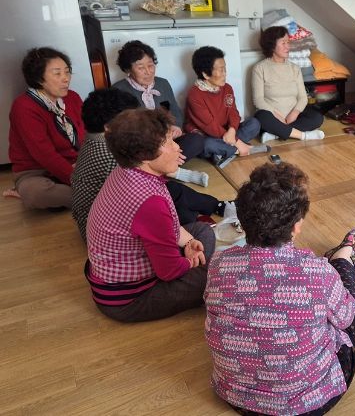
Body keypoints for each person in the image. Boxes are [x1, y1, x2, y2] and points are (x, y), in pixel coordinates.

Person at [205, 163, 355, 415]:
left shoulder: (218, 263)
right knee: (350, 306)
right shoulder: (316, 271)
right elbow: (346, 318)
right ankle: (345, 256)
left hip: (236, 398)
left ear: (243, 221)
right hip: (307, 404)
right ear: (296, 225)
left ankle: (345, 257)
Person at [85, 108, 216, 322]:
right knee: (218, 276)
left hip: (115, 274)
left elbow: (167, 225)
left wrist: (188, 242)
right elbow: (169, 271)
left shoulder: (126, 170)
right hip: (129, 300)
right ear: (144, 155)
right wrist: (189, 261)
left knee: (202, 232)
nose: (177, 147)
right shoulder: (149, 202)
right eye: (168, 142)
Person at [72, 89, 230, 242]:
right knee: (180, 212)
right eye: (131, 121)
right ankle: (200, 216)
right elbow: (142, 196)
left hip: (103, 219)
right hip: (109, 231)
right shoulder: (113, 153)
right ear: (108, 127)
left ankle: (213, 207)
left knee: (172, 190)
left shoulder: (97, 140)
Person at [112, 40, 207, 184]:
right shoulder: (119, 90)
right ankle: (173, 172)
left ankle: (165, 170)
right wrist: (157, 141)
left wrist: (175, 127)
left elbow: (175, 111)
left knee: (196, 140)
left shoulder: (163, 83)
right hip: (142, 146)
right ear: (128, 69)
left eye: (151, 65)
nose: (148, 71)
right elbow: (124, 130)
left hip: (168, 141)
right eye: (141, 67)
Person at [6, 47, 85, 210]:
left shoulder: (73, 97)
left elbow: (86, 133)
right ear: (39, 78)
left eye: (67, 72)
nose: (66, 78)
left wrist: (85, 162)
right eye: (57, 73)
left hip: (76, 163)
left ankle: (85, 195)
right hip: (36, 171)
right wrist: (77, 178)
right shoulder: (24, 107)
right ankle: (93, 195)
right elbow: (43, 154)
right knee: (36, 193)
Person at [184, 46, 269, 168]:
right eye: (221, 70)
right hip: (208, 135)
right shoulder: (194, 95)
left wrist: (232, 130)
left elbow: (233, 113)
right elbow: (210, 127)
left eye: (225, 68)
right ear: (205, 74)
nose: (225, 73)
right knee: (206, 144)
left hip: (227, 132)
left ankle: (222, 153)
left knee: (254, 123)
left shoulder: (227, 88)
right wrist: (238, 143)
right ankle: (238, 150)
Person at [252, 26, 325, 143]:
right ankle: (303, 135)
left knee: (317, 118)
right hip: (272, 116)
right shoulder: (260, 68)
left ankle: (275, 134)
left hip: (293, 116)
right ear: (272, 45)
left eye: (288, 42)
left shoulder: (294, 68)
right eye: (283, 43)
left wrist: (294, 113)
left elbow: (302, 98)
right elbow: (258, 100)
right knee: (261, 117)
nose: (288, 46)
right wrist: (277, 115)